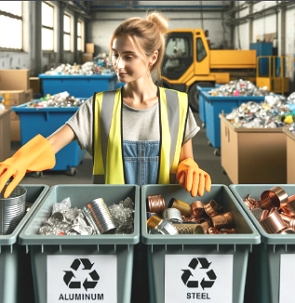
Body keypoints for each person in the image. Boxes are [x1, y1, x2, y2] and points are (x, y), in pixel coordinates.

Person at [0, 11, 211, 303]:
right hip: (110, 227)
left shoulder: (178, 103)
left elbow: (185, 157)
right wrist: (22, 159)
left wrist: (189, 166)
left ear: (152, 58)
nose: (118, 64)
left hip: (162, 226)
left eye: (128, 56)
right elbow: (56, 140)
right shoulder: (98, 106)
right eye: (114, 55)